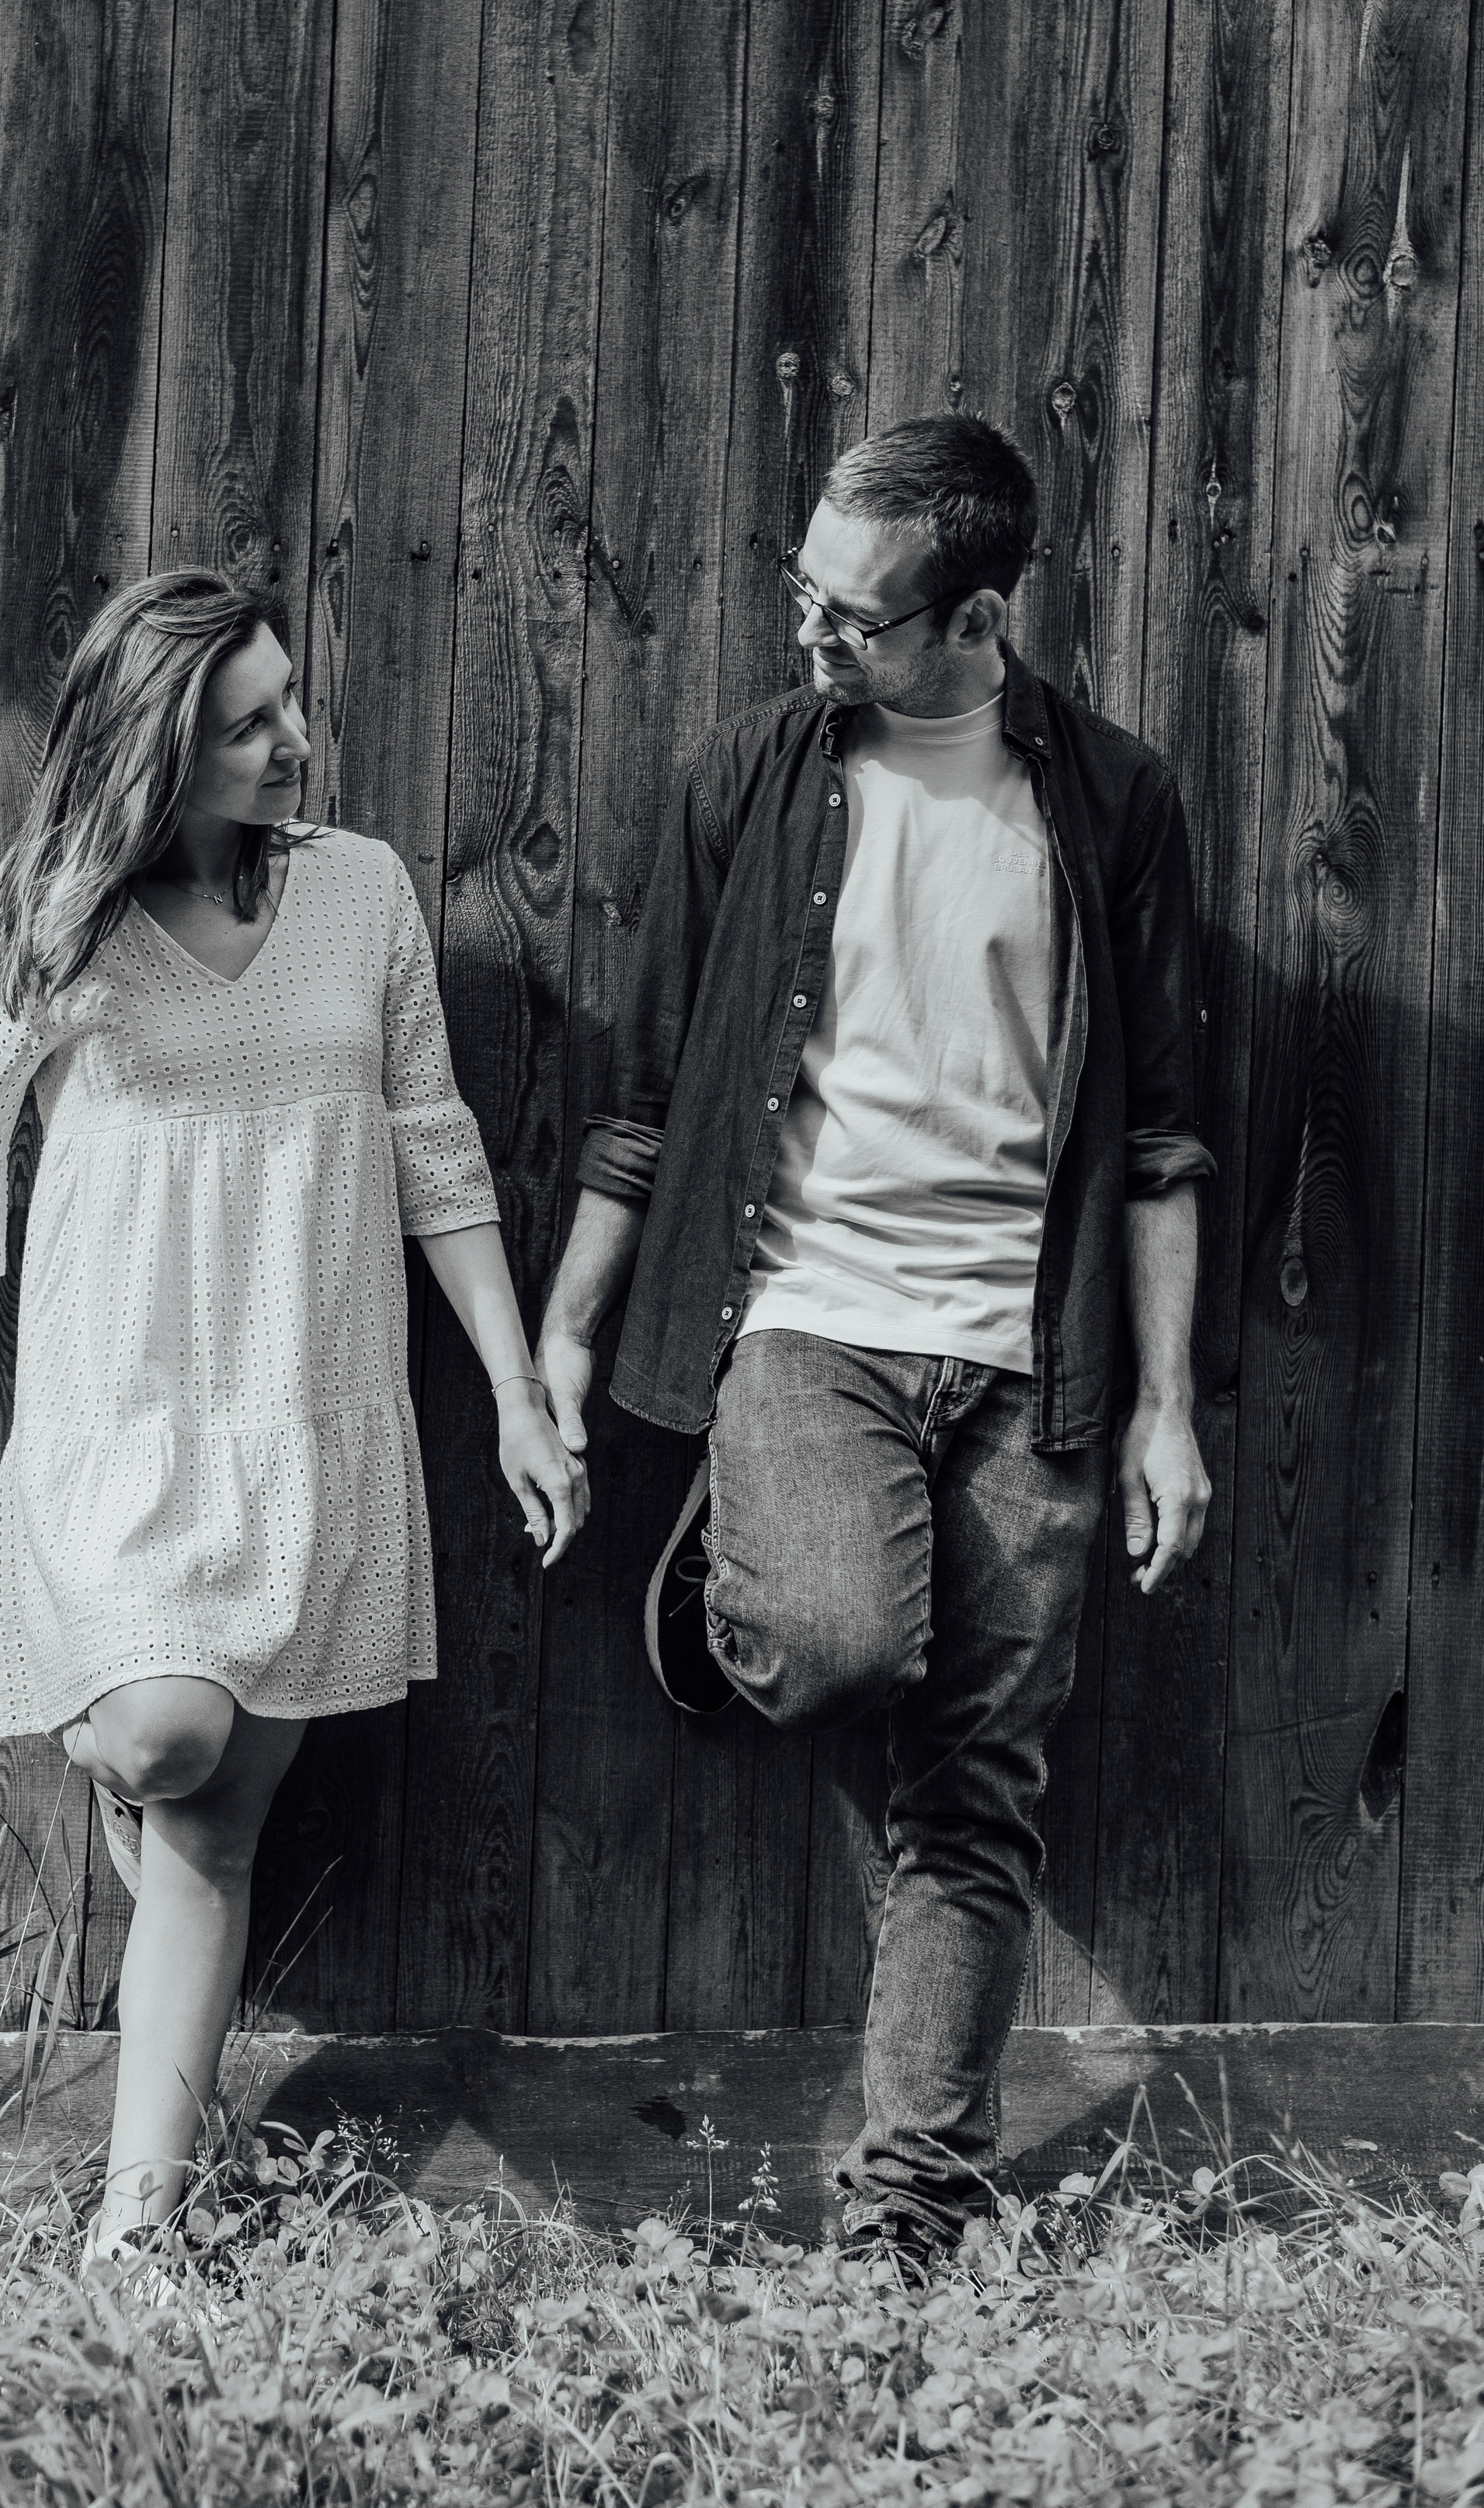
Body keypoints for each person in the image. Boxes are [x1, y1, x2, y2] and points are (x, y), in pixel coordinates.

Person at [0, 568, 585, 2259]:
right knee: (163, 1743)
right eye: (246, 725)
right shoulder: (62, 910)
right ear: (152, 756)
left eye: (287, 705)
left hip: (308, 1406)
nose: (293, 743)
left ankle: (133, 2235)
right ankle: (115, 1770)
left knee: (210, 1840)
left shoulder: (365, 898)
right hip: (127, 1408)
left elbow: (431, 1144)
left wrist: (508, 1391)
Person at [534, 414, 1213, 2274]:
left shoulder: (1114, 802)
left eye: (852, 621)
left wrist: (1163, 1413)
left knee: (975, 1793)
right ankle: (738, 1565)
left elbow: (1158, 1140)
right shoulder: (748, 776)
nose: (811, 644)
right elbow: (645, 1101)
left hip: (1031, 1354)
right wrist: (565, 1348)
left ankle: (909, 2217)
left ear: (978, 615)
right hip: (807, 1317)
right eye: (800, 600)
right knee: (833, 1649)